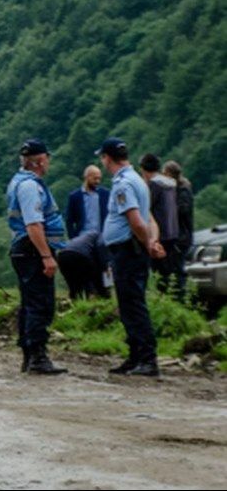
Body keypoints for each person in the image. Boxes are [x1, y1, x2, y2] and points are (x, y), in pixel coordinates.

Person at [99, 138, 166, 377]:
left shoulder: (123, 184)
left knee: (132, 304)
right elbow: (150, 219)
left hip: (128, 250)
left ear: (107, 158)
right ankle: (136, 356)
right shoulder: (138, 180)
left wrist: (147, 243)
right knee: (129, 304)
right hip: (132, 249)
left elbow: (137, 221)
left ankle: (147, 358)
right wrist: (153, 241)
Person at [6, 139, 68, 375]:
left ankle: (29, 355)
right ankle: (38, 356)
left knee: (30, 302)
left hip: (25, 249)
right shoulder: (30, 187)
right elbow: (34, 224)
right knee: (40, 303)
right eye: (47, 158)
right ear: (40, 161)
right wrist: (46, 256)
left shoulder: (19, 182)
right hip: (32, 250)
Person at [139, 153, 179, 296]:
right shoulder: (170, 184)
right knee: (169, 271)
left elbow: (146, 208)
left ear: (143, 169)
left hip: (159, 234)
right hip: (173, 232)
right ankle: (170, 298)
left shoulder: (154, 185)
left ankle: (161, 298)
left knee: (158, 273)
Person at [163, 161, 193, 301]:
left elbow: (183, 210)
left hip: (182, 236)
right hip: (179, 234)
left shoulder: (183, 190)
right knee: (173, 268)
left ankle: (181, 298)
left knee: (178, 269)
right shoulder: (177, 189)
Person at [57, 232, 112, 300]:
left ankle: (74, 301)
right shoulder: (100, 237)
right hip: (80, 254)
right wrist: (106, 269)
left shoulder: (85, 236)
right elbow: (102, 261)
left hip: (62, 256)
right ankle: (99, 296)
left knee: (73, 285)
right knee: (92, 278)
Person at [65, 166, 109, 238]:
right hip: (82, 236)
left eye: (99, 178)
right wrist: (72, 238)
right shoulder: (75, 196)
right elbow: (69, 220)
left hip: (101, 236)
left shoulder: (105, 194)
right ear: (86, 177)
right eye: (95, 178)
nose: (97, 181)